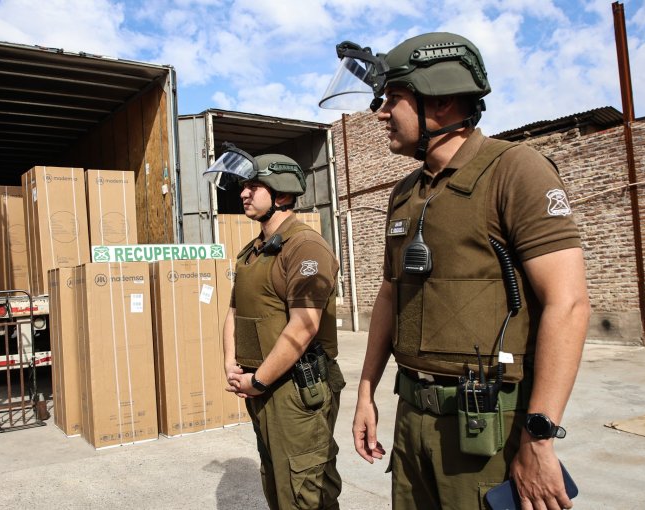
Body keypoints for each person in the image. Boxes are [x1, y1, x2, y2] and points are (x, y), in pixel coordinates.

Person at [320, 33, 591, 509]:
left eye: (393, 99)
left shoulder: (515, 170)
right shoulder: (404, 192)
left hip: (484, 427)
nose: (380, 113)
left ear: (440, 101)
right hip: (411, 420)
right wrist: (367, 394)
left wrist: (539, 438)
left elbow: (567, 304)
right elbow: (390, 294)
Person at [206, 146, 345, 509]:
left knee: (305, 491)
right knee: (277, 482)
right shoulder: (252, 252)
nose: (243, 193)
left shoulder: (305, 247)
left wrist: (259, 380)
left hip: (297, 390)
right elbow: (233, 312)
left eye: (254, 185)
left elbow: (304, 326)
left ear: (281, 193)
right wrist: (231, 363)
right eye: (244, 186)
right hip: (264, 387)